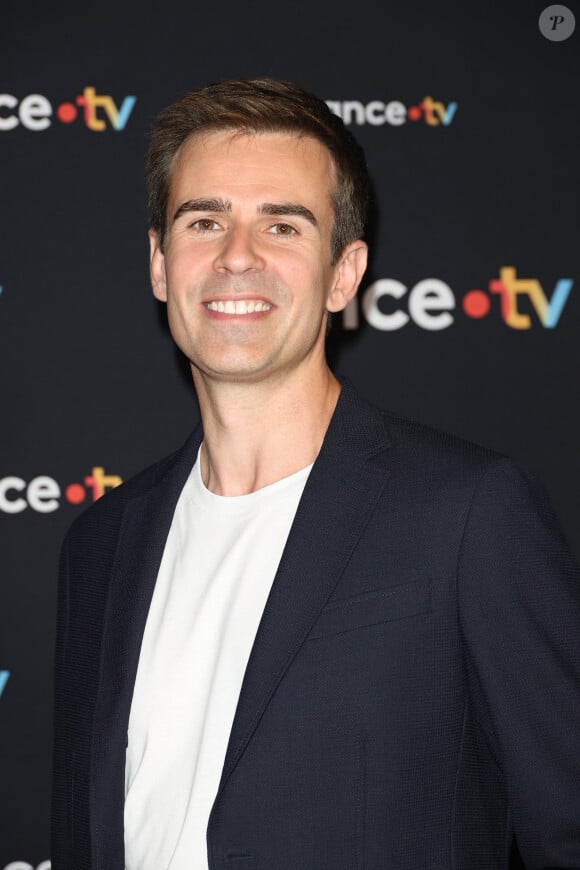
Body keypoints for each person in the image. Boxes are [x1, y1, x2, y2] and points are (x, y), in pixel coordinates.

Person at [51, 78, 580, 870]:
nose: (238, 256)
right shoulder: (98, 544)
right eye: (205, 221)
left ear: (344, 273)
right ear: (161, 263)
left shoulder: (469, 514)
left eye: (282, 225)